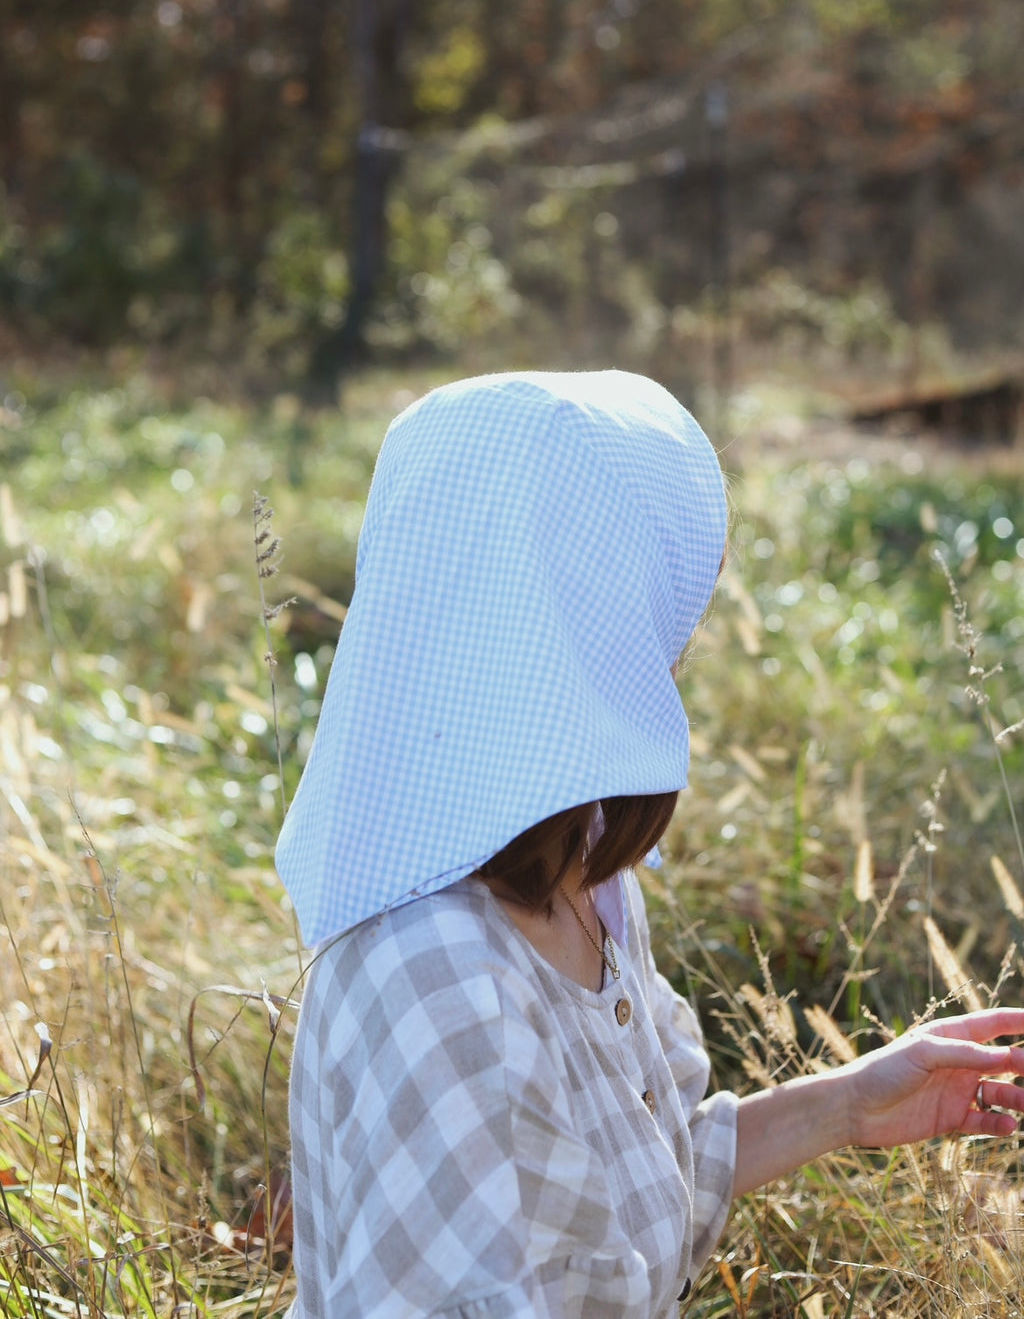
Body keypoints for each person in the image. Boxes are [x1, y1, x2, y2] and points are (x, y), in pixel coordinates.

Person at [275, 370, 1024, 1319]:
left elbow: (643, 1191)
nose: (678, 645)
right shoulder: (439, 983)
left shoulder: (581, 877)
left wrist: (846, 1106)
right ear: (583, 618)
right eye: (660, 598)